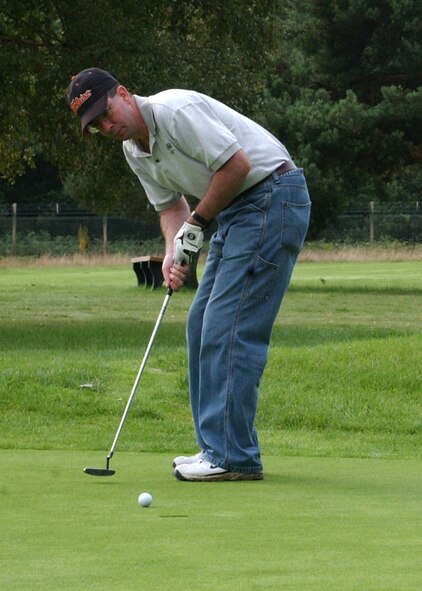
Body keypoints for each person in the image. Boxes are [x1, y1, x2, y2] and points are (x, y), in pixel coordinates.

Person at [67, 67, 311, 482]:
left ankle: (232, 456)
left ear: (123, 94)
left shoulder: (174, 110)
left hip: (272, 194)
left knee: (226, 325)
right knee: (201, 322)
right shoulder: (133, 150)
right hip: (237, 210)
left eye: (106, 112)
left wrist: (196, 224)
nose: (107, 125)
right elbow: (170, 209)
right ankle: (215, 447)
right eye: (97, 125)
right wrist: (173, 252)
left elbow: (236, 166)